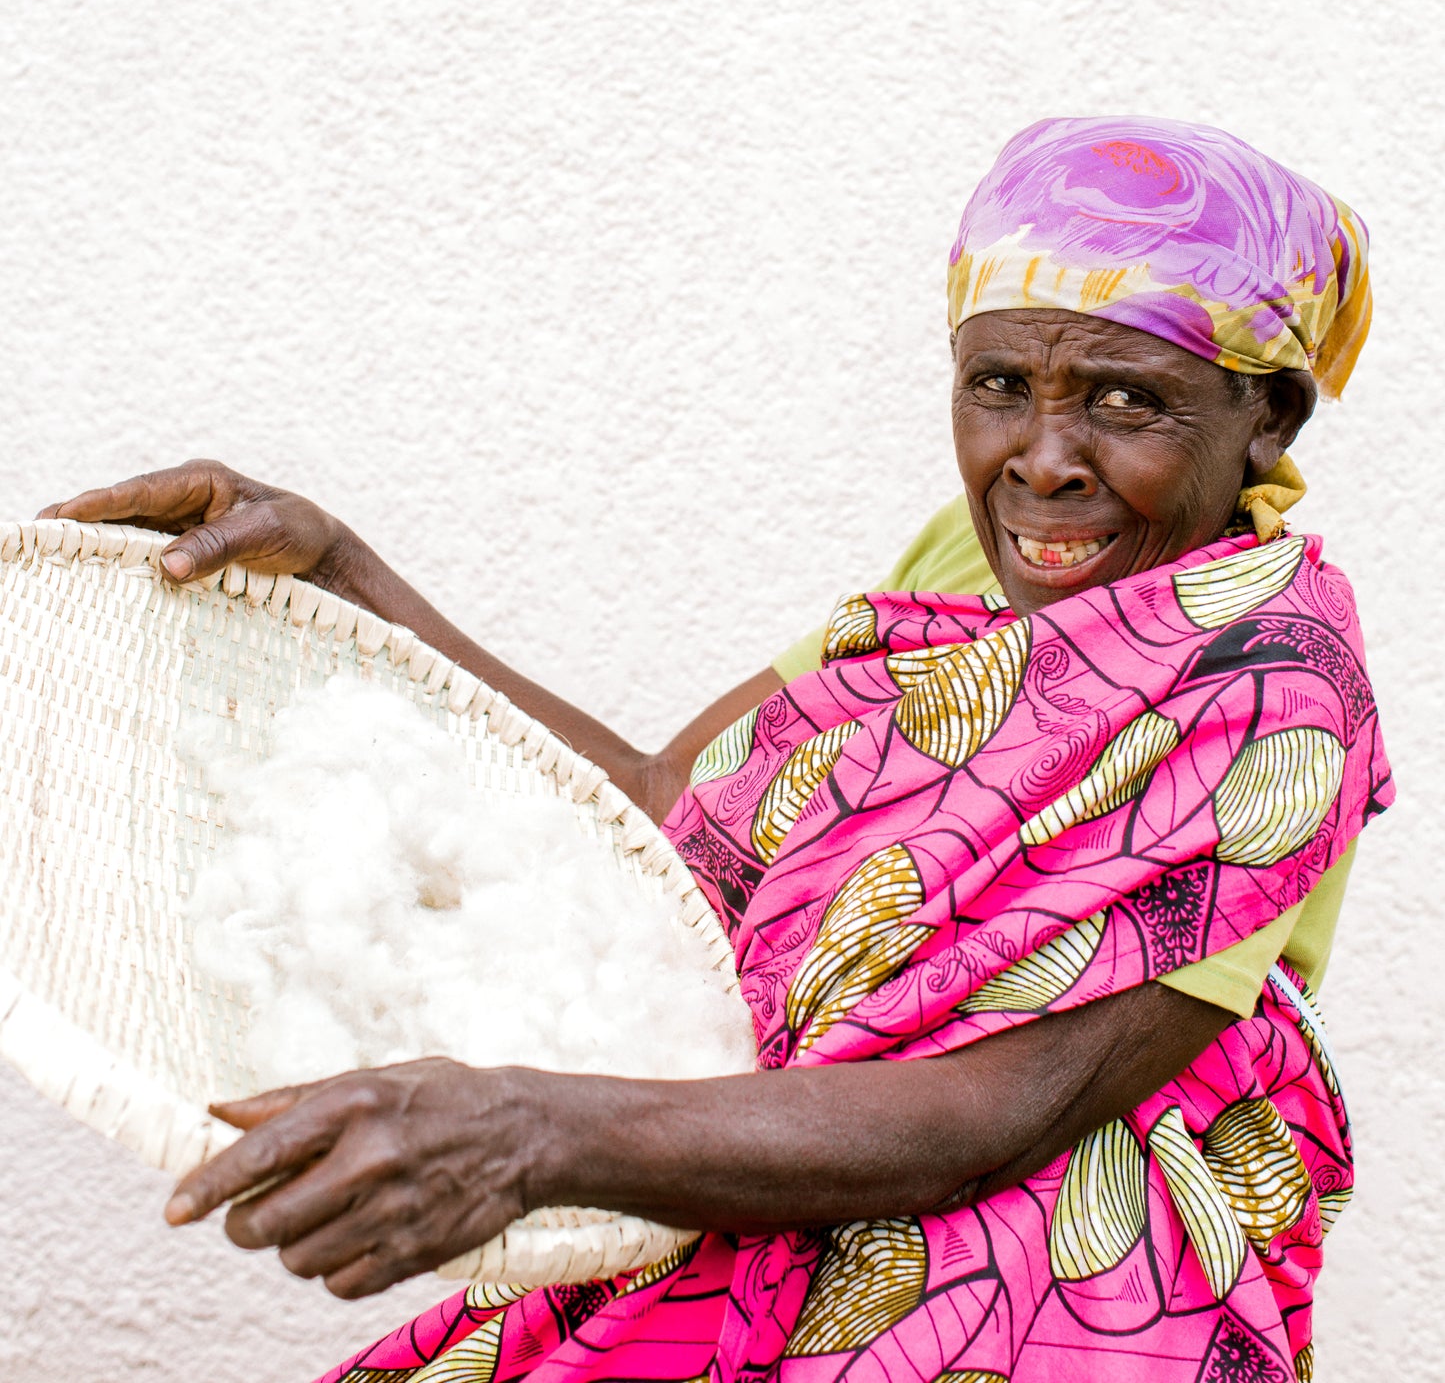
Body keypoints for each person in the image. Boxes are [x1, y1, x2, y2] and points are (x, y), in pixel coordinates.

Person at [46, 115, 1389, 1383]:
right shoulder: (970, 573)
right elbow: (657, 806)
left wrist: (536, 1129)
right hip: (778, 1187)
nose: (1042, 460)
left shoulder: (1271, 668)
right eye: (997, 386)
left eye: (1122, 401)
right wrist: (339, 571)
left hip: (1043, 1293)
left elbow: (1012, 1104)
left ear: (1264, 419)